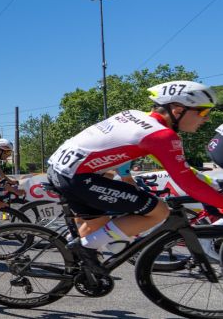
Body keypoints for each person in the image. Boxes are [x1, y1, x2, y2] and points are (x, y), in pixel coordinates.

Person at [49, 81, 223, 275]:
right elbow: (187, 183)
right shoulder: (161, 135)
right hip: (78, 177)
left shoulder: (134, 115)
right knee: (159, 210)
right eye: (203, 112)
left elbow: (182, 171)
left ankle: (74, 273)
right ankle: (85, 250)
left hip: (62, 170)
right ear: (177, 109)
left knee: (96, 224)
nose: (207, 119)